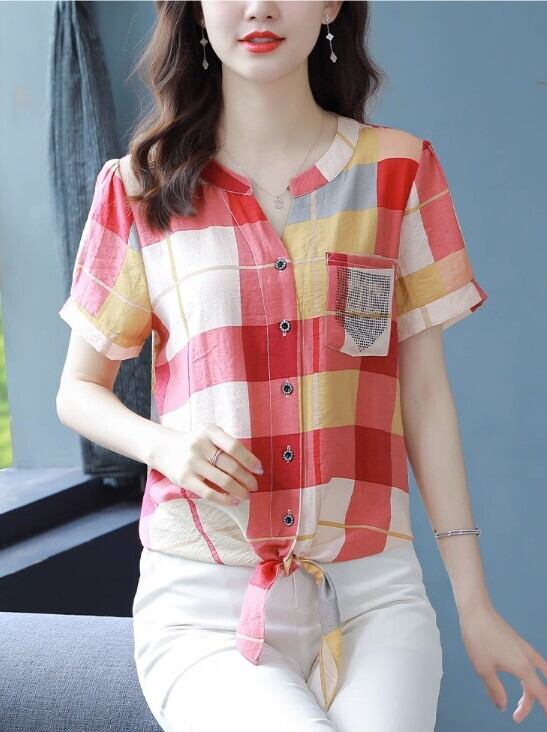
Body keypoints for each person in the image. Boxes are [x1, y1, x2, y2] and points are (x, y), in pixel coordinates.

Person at [56, 2, 547, 731]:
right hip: (204, 602)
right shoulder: (139, 189)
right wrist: (165, 446)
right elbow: (77, 390)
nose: (259, 7)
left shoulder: (398, 172)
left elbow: (424, 397)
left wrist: (474, 604)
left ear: (329, 6)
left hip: (372, 594)